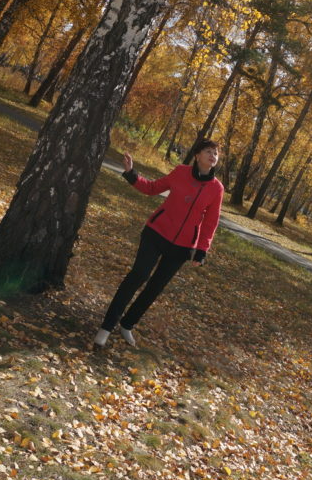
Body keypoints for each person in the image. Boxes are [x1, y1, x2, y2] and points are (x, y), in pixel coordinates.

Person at [94, 139, 224, 348]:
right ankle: (107, 326)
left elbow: (211, 222)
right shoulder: (180, 172)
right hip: (156, 233)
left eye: (216, 154)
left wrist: (201, 250)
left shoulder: (217, 188)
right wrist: (131, 174)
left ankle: (127, 324)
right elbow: (153, 188)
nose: (213, 156)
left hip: (181, 248)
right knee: (138, 275)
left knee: (154, 288)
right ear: (198, 155)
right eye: (208, 151)